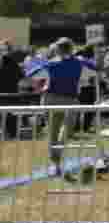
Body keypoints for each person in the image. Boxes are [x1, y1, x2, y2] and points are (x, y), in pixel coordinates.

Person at [25, 37, 98, 180]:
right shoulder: (79, 62)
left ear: (57, 50)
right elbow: (95, 69)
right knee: (65, 131)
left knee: (54, 132)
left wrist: (43, 66)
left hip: (51, 98)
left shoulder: (51, 64)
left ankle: (56, 161)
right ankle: (57, 162)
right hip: (68, 99)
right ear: (71, 49)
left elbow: (30, 75)